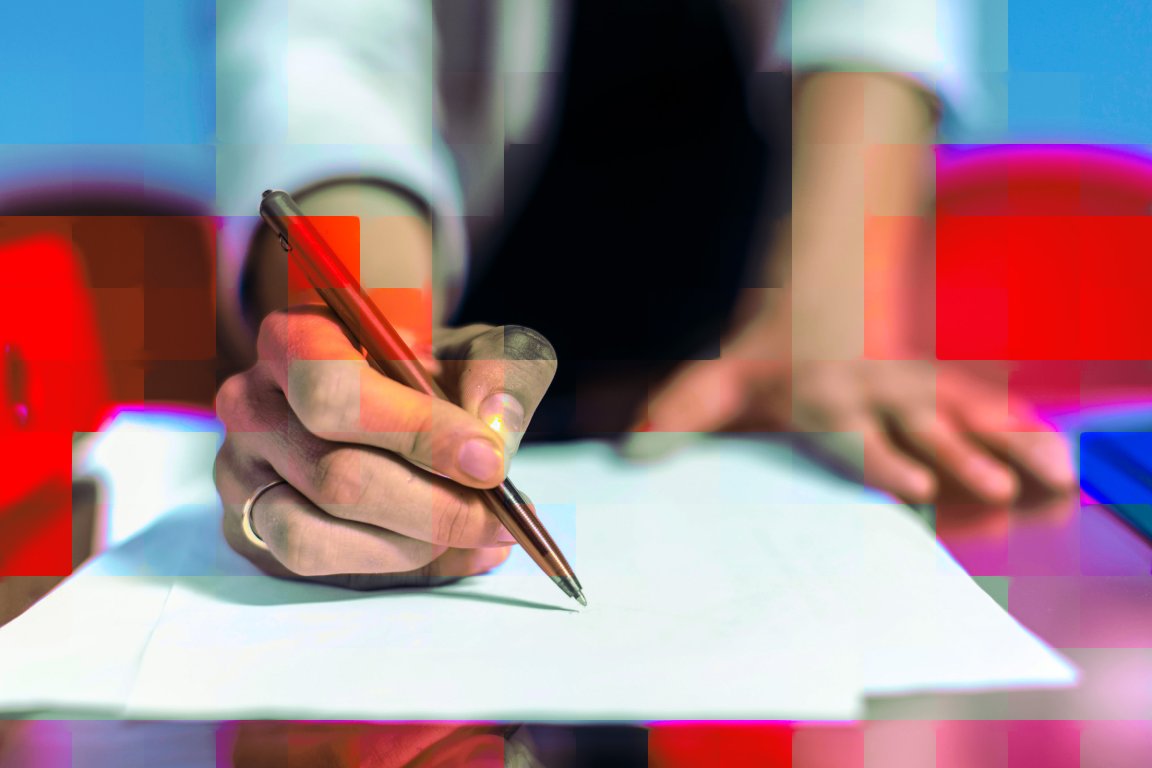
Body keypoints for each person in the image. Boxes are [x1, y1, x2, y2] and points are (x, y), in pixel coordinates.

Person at [213, 0, 1076, 588]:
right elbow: (323, 56)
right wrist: (388, 359)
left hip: (759, 362)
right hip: (487, 333)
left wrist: (827, 319)